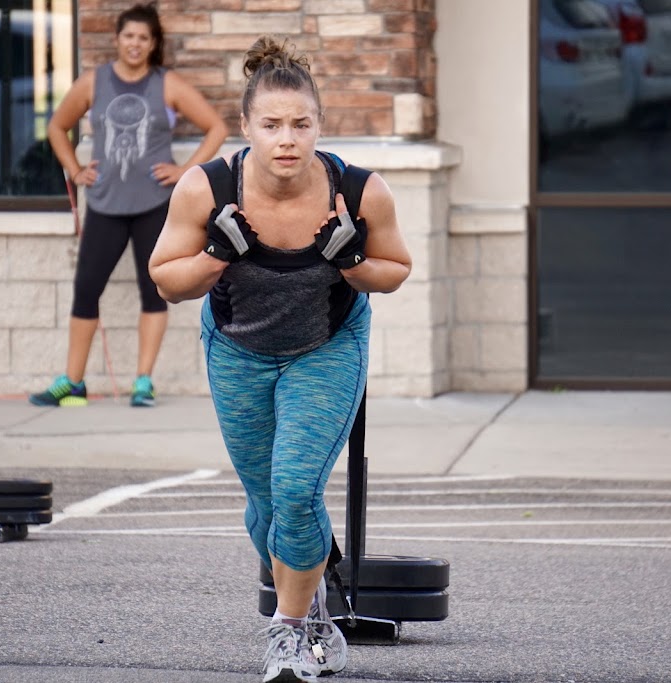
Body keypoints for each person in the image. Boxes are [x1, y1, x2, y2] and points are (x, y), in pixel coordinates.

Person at [148, 35, 412, 682]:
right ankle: (310, 593)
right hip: (238, 349)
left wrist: (352, 260)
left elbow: (396, 270)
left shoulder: (357, 191)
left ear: (320, 125)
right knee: (265, 506)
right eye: (271, 125)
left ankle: (290, 634)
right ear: (246, 128)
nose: (287, 138)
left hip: (326, 347)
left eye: (301, 124)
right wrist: (217, 253)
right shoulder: (206, 188)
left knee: (296, 489)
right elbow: (164, 280)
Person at [30, 2, 228, 408]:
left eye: (143, 37)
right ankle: (73, 381)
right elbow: (56, 125)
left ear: (153, 44)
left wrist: (184, 171)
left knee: (153, 291)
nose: (135, 44)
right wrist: (74, 168)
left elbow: (217, 127)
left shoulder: (166, 83)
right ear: (117, 40)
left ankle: (143, 381)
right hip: (105, 204)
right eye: (128, 36)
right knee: (86, 290)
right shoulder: (94, 81)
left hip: (154, 205)